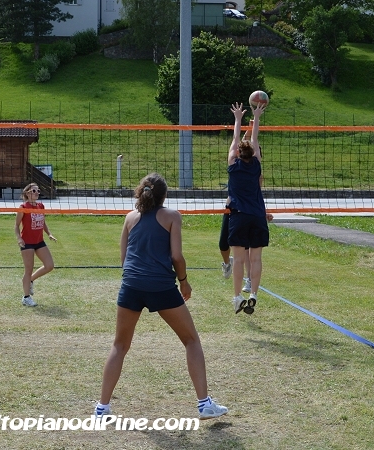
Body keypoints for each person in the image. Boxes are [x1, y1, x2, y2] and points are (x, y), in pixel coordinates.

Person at [95, 173, 228, 420]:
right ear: (164, 195)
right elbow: (177, 256)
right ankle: (204, 405)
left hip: (131, 285)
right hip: (160, 286)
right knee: (191, 341)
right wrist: (184, 282)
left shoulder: (130, 218)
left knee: (119, 345)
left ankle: (102, 409)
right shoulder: (172, 216)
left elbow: (124, 260)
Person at [227, 103, 269, 314]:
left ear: (237, 153)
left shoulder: (233, 164)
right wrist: (257, 117)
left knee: (239, 259)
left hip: (239, 216)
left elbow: (236, 141)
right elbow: (254, 140)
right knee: (256, 258)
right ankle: (253, 294)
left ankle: (237, 297)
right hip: (257, 216)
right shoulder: (256, 165)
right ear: (254, 153)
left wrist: (237, 119)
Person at [14, 183, 56, 307]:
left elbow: (42, 222)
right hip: (27, 243)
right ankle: (26, 297)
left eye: (38, 191)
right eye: (34, 191)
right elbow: (16, 226)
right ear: (27, 193)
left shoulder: (41, 206)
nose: (37, 193)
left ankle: (30, 280)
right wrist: (19, 238)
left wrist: (49, 233)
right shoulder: (23, 207)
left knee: (49, 265)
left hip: (39, 241)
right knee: (28, 269)